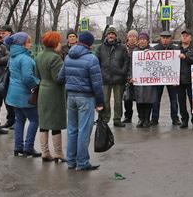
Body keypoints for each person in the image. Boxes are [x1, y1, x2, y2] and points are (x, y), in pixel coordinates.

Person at [57, 31, 104, 171]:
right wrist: (100, 102)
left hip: (70, 97)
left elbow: (60, 78)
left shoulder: (68, 56)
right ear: (90, 44)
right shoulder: (91, 59)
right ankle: (82, 162)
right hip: (86, 98)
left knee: (72, 129)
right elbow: (97, 84)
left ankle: (71, 161)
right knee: (84, 130)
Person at [4, 32, 41, 157]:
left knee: (19, 120)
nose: (30, 44)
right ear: (22, 44)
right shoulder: (25, 58)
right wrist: (37, 84)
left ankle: (18, 147)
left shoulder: (13, 56)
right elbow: (27, 78)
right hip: (24, 94)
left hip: (13, 93)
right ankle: (28, 147)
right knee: (35, 120)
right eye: (28, 42)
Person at [35, 31, 67, 162]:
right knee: (55, 123)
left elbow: (37, 76)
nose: (60, 44)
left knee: (43, 123)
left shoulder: (39, 56)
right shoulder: (55, 58)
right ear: (54, 43)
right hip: (54, 93)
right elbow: (58, 78)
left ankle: (45, 152)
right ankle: (58, 153)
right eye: (59, 42)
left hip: (42, 91)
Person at [96, 27, 129, 128]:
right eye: (109, 34)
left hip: (118, 79)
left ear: (115, 36)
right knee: (105, 100)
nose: (111, 36)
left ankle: (117, 119)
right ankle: (105, 119)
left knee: (118, 101)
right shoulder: (100, 47)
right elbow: (96, 62)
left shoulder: (122, 48)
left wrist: (123, 72)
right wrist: (100, 73)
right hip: (105, 79)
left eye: (113, 34)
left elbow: (126, 61)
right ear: (106, 35)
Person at [151, 31, 181, 126]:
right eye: (163, 38)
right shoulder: (154, 49)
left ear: (170, 39)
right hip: (158, 78)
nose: (165, 40)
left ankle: (175, 118)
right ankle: (154, 119)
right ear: (160, 38)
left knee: (173, 99)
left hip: (171, 78)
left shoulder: (176, 49)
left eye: (167, 38)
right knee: (156, 100)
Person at [178, 30, 193, 129]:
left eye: (187, 36)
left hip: (191, 79)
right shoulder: (176, 49)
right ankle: (184, 120)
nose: (184, 37)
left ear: (190, 38)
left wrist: (185, 57)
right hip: (178, 80)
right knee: (181, 102)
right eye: (183, 36)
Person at [133, 32, 157, 128]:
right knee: (139, 101)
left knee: (148, 100)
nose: (142, 41)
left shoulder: (152, 51)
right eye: (141, 39)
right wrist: (130, 76)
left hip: (149, 81)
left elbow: (157, 64)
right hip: (138, 80)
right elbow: (131, 65)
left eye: (144, 39)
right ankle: (141, 119)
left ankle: (147, 119)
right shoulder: (135, 51)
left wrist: (150, 54)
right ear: (138, 41)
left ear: (147, 41)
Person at [0, 24, 16, 129]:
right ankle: (10, 119)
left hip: (11, 73)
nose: (1, 35)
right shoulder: (1, 43)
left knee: (12, 98)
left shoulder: (12, 42)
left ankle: (16, 120)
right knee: (6, 98)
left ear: (9, 33)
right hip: (3, 73)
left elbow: (10, 56)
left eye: (3, 33)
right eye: (0, 33)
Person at [122, 30, 139, 124]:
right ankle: (128, 116)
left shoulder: (140, 49)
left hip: (138, 77)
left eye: (134, 36)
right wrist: (127, 76)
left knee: (139, 98)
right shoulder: (123, 48)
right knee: (127, 98)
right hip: (126, 77)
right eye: (130, 36)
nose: (132, 38)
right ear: (127, 37)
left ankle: (141, 117)